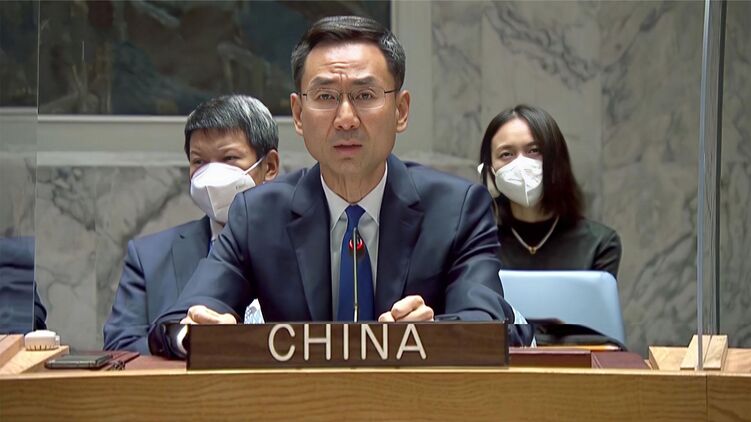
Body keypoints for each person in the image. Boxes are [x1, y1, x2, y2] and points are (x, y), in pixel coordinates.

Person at [148, 16, 531, 358]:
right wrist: (195, 335)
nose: (345, 118)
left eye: (365, 95)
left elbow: (486, 322)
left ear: (400, 111)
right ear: (299, 114)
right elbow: (178, 320)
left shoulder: (457, 209)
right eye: (326, 97)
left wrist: (430, 336)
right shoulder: (257, 214)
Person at [103, 95, 280, 354]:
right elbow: (120, 346)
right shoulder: (149, 257)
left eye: (229, 158)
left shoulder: (309, 246)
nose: (212, 175)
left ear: (270, 166)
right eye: (199, 162)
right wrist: (185, 340)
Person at [478, 105, 621, 278]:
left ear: (556, 161)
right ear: (489, 171)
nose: (521, 165)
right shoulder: (479, 245)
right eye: (506, 154)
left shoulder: (598, 243)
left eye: (534, 150)